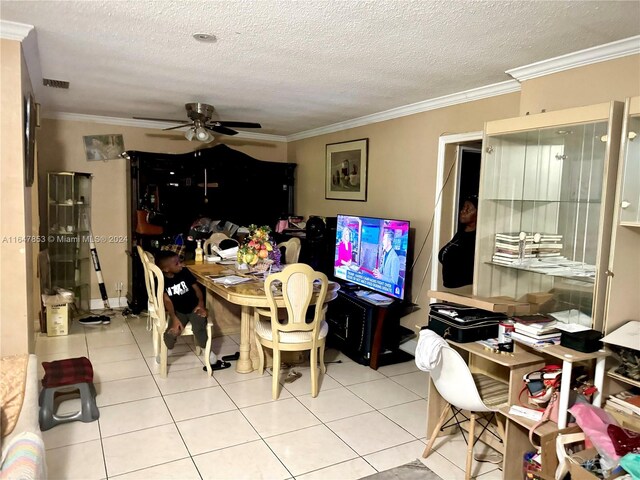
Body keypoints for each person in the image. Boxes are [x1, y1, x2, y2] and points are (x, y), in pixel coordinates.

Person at [155, 251, 230, 370]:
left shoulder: (184, 272)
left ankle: (207, 351)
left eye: (180, 261)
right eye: (176, 264)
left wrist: (201, 305)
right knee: (172, 331)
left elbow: (197, 289)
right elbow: (167, 301)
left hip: (194, 307)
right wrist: (174, 318)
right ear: (166, 269)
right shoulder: (161, 280)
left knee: (199, 327)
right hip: (178, 311)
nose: (181, 265)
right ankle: (166, 351)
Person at [438, 195, 478, 288]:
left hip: (463, 292)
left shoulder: (475, 239)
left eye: (468, 209)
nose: (463, 211)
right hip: (450, 291)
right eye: (464, 207)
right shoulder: (461, 233)